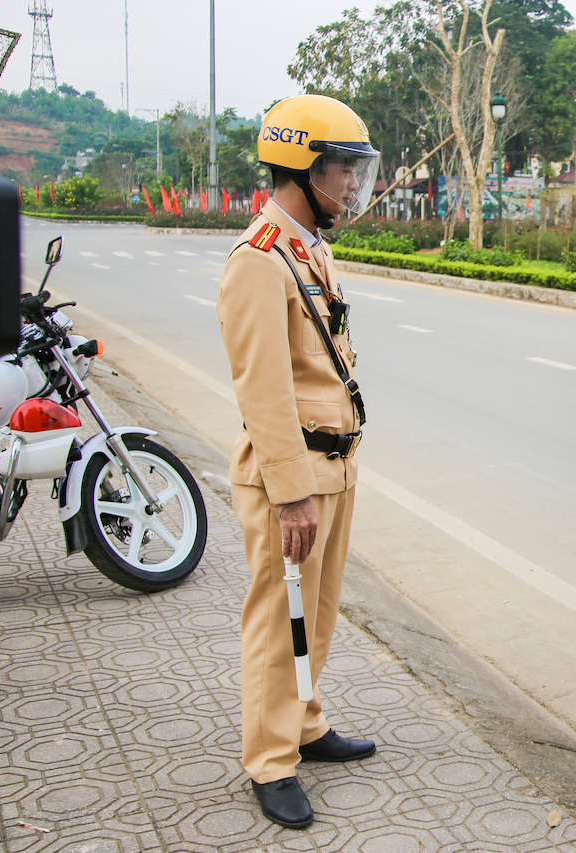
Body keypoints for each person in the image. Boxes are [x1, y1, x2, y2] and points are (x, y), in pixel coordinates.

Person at [216, 94, 382, 829]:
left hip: (332, 467)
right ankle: (270, 759)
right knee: (278, 621)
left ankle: (306, 724)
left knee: (313, 615)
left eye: (353, 168)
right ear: (303, 167)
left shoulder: (308, 246)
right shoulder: (258, 259)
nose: (352, 182)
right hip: (294, 477)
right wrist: (290, 495)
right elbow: (265, 390)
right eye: (344, 167)